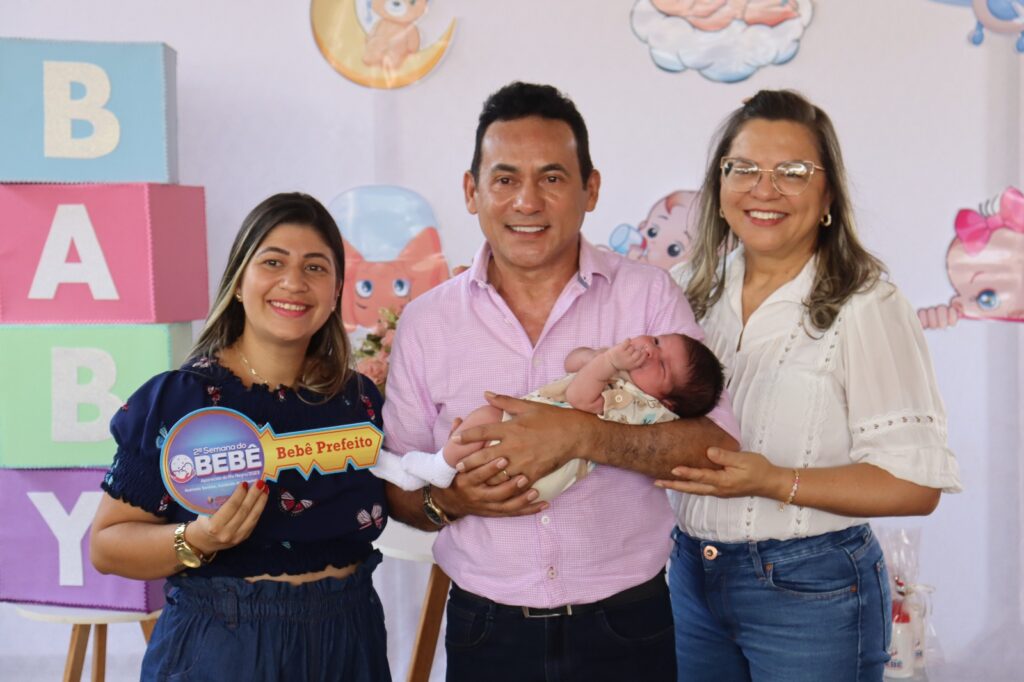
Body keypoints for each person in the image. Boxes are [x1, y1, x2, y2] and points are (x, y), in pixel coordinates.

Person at [382, 81, 740, 682]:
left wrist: (580, 435)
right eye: (504, 179)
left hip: (628, 622)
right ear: (471, 191)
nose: (527, 201)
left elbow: (715, 448)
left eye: (551, 177)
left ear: (590, 189)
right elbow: (398, 483)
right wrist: (453, 500)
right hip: (485, 627)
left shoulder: (647, 296)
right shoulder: (426, 321)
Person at [659, 90, 962, 681]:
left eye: (793, 172)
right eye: (743, 168)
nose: (764, 189)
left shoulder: (867, 304)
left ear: (828, 196)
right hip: (690, 575)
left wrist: (773, 480)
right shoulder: (683, 292)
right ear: (719, 186)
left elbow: (916, 486)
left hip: (811, 589)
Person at [89, 193, 392, 682]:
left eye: (315, 267)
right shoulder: (180, 400)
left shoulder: (357, 400)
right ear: (238, 281)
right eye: (273, 262)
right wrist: (197, 539)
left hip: (349, 640)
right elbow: (106, 546)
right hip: (225, 648)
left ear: (337, 290)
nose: (294, 282)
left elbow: (404, 490)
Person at [374, 333, 724, 501]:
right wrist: (599, 356)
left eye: (661, 365)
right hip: (528, 456)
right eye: (658, 342)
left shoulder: (636, 406)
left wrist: (607, 363)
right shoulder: (624, 376)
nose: (649, 352)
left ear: (667, 402)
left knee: (486, 416)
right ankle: (425, 470)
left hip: (535, 466)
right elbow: (573, 361)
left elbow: (579, 396)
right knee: (483, 427)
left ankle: (438, 467)